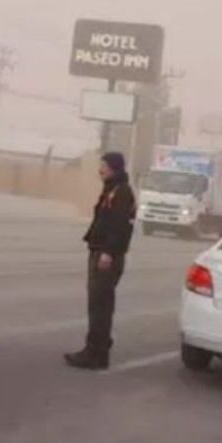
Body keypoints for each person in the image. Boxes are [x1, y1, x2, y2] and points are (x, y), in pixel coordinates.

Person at [65, 152, 136, 370]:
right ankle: (95, 347)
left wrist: (107, 252)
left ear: (113, 167)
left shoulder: (121, 191)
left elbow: (119, 225)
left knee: (100, 306)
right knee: (98, 305)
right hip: (100, 251)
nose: (100, 169)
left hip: (107, 256)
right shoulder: (112, 188)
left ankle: (97, 354)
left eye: (103, 166)